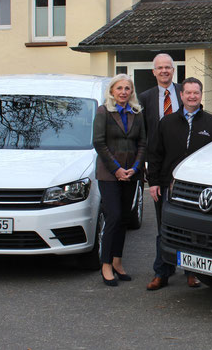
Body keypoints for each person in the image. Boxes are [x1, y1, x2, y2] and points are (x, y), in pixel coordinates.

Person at [145, 77, 212, 291]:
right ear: (181, 95)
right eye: (188, 92)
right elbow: (155, 154)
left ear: (201, 95)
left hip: (199, 190)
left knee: (195, 232)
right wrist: (153, 182)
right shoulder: (167, 122)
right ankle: (161, 273)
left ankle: (193, 273)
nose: (192, 96)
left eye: (195, 93)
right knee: (165, 230)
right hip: (167, 185)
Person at [93, 74, 146, 287]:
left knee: (124, 217)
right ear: (112, 91)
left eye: (127, 88)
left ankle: (117, 261)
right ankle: (105, 264)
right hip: (109, 174)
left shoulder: (137, 113)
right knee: (113, 216)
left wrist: (134, 168)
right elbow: (99, 143)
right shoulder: (103, 112)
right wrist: (116, 169)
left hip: (131, 174)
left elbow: (143, 143)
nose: (123, 92)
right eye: (119, 88)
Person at [138, 53, 184, 287]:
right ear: (153, 72)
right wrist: (148, 168)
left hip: (184, 168)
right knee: (163, 221)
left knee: (187, 221)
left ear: (173, 71)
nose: (164, 71)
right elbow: (143, 134)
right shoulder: (145, 98)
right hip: (159, 168)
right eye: (160, 68)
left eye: (168, 67)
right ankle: (162, 271)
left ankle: (191, 271)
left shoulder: (184, 93)